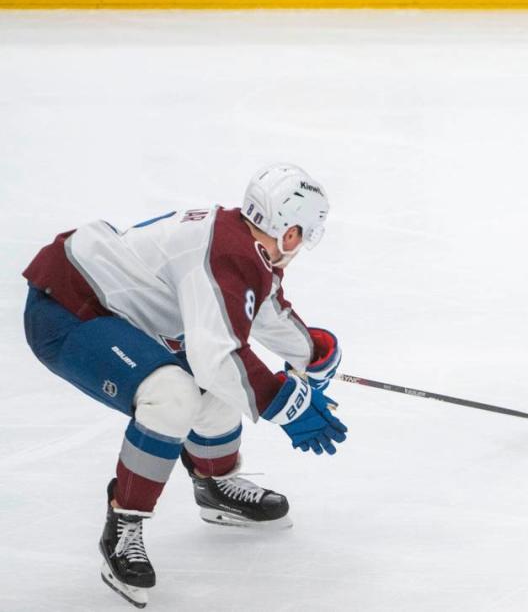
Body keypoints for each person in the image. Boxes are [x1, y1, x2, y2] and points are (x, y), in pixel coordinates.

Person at [22, 163, 347, 608]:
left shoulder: (244, 244)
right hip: (69, 309)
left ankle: (215, 484)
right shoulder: (227, 254)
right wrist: (283, 403)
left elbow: (261, 311)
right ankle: (124, 523)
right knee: (173, 393)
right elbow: (219, 357)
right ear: (290, 233)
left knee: (217, 384)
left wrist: (311, 353)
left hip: (113, 308)